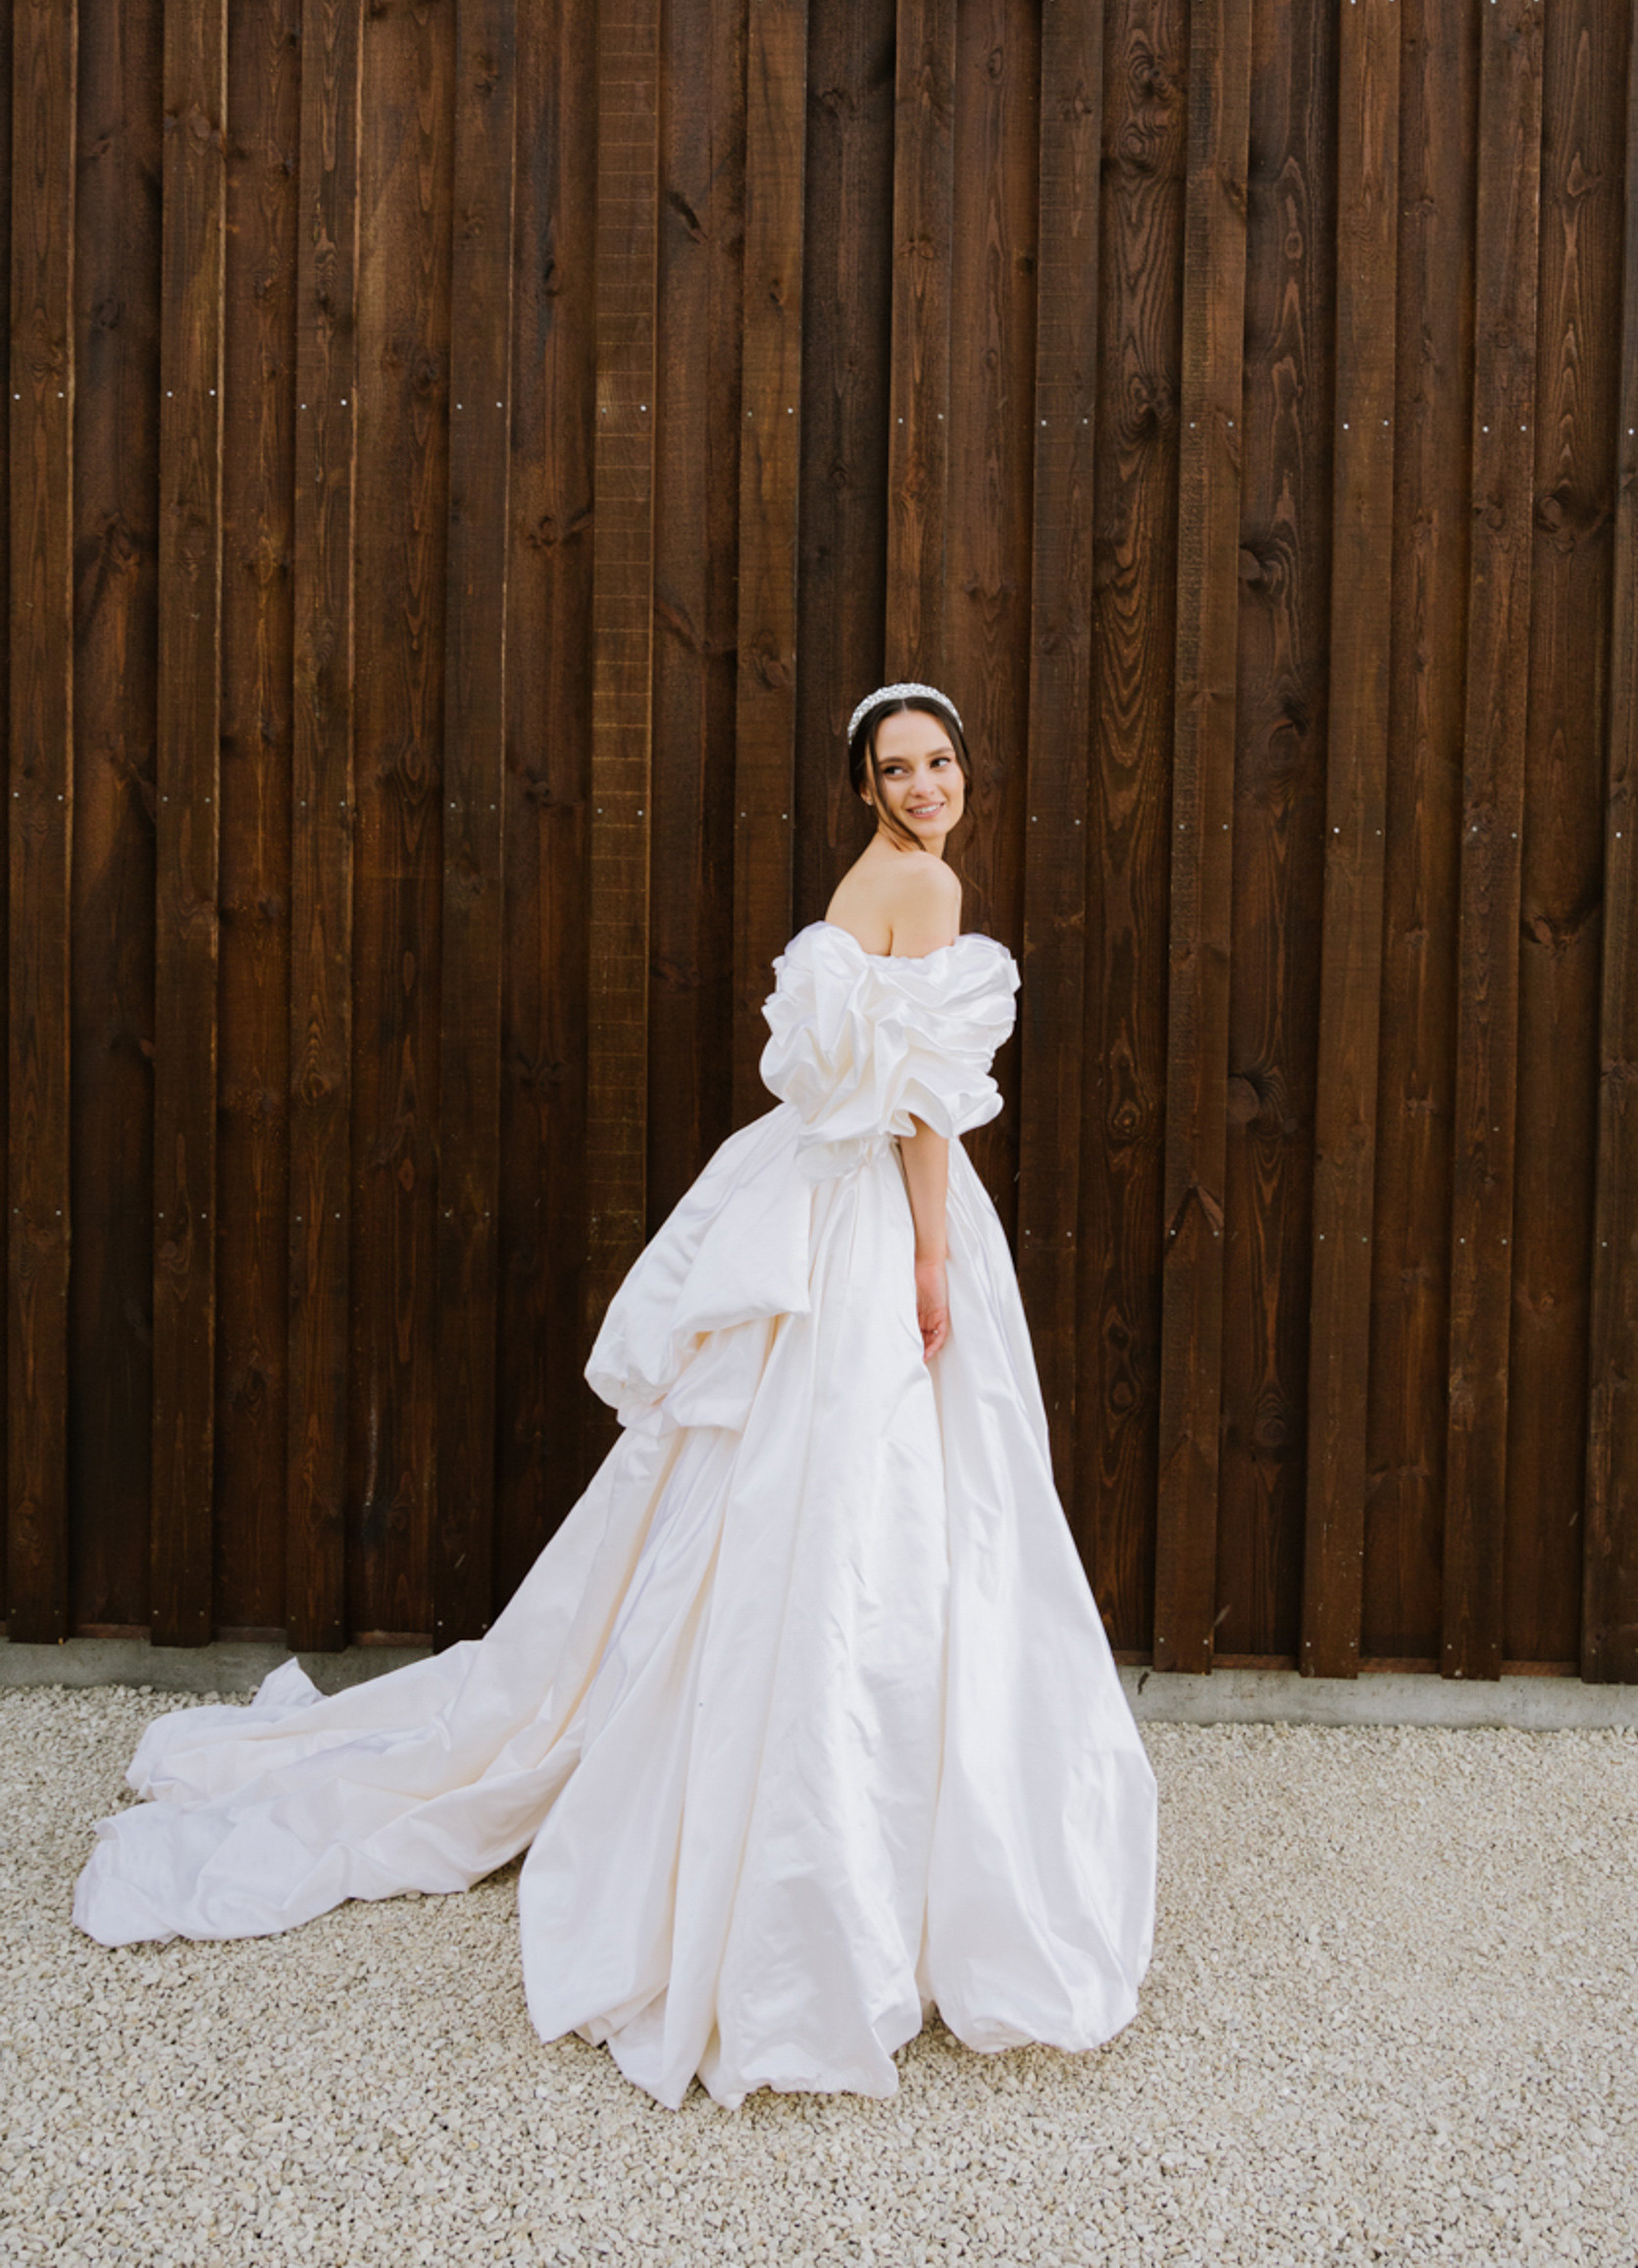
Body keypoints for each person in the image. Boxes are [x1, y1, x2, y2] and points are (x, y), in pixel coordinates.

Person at [74, 682, 1157, 2109]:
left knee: (786, 1492)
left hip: (809, 1195)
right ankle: (839, 1856)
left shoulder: (866, 883)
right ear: (865, 785)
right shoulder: (928, 887)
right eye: (898, 768)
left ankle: (757, 1776)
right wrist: (938, 1263)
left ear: (965, 768)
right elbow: (924, 1107)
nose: (925, 784)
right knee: (866, 1501)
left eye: (941, 762)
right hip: (872, 1217)